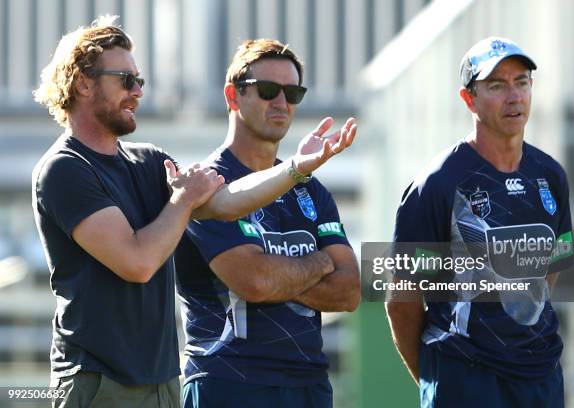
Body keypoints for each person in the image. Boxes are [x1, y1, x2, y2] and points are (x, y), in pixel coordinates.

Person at [32, 16, 355, 408]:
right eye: (125, 80)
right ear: (83, 83)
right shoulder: (65, 168)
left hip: (162, 380)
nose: (137, 92)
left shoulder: (149, 161)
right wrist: (182, 201)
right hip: (97, 381)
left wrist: (294, 169)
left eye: (140, 82)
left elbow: (224, 202)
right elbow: (138, 261)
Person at [386, 37, 574, 407]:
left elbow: (551, 268)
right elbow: (401, 301)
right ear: (469, 99)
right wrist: (435, 375)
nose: (514, 96)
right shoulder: (437, 184)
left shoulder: (550, 175)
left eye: (521, 82)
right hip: (465, 377)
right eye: (496, 85)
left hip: (540, 376)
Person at [174, 39, 360, 408]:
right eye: (268, 90)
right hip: (229, 381)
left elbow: (349, 290)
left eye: (292, 92)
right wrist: (320, 263)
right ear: (233, 96)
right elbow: (255, 280)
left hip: (308, 383)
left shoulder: (312, 188)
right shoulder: (204, 184)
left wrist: (279, 274)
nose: (281, 103)